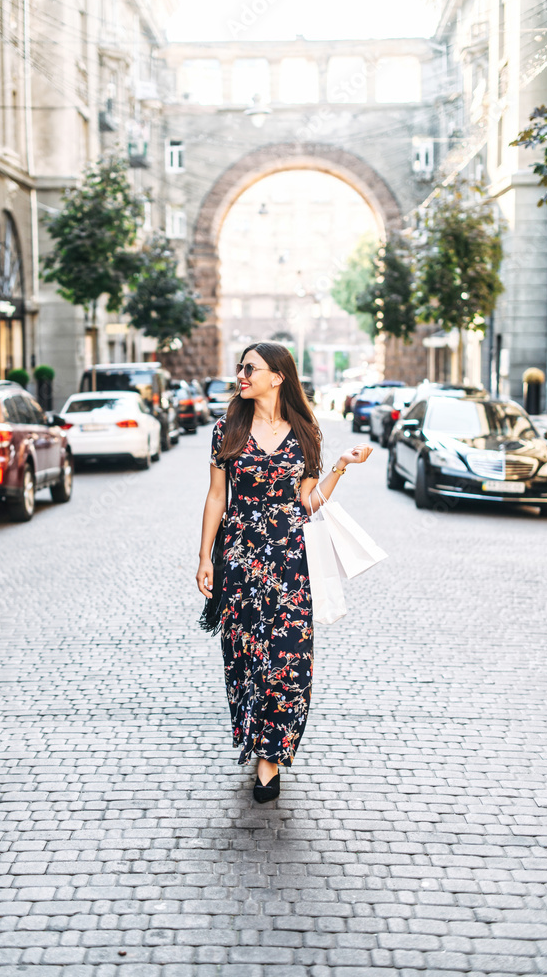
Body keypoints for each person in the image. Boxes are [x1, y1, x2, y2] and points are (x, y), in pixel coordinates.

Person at [196, 341, 372, 803]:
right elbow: (217, 497)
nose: (241, 374)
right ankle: (256, 740)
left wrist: (340, 467)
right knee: (246, 660)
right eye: (240, 367)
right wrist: (204, 558)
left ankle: (271, 757)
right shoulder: (227, 430)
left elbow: (308, 502)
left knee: (289, 662)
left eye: (249, 368)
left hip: (291, 564)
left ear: (277, 376)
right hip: (238, 561)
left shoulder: (305, 432)